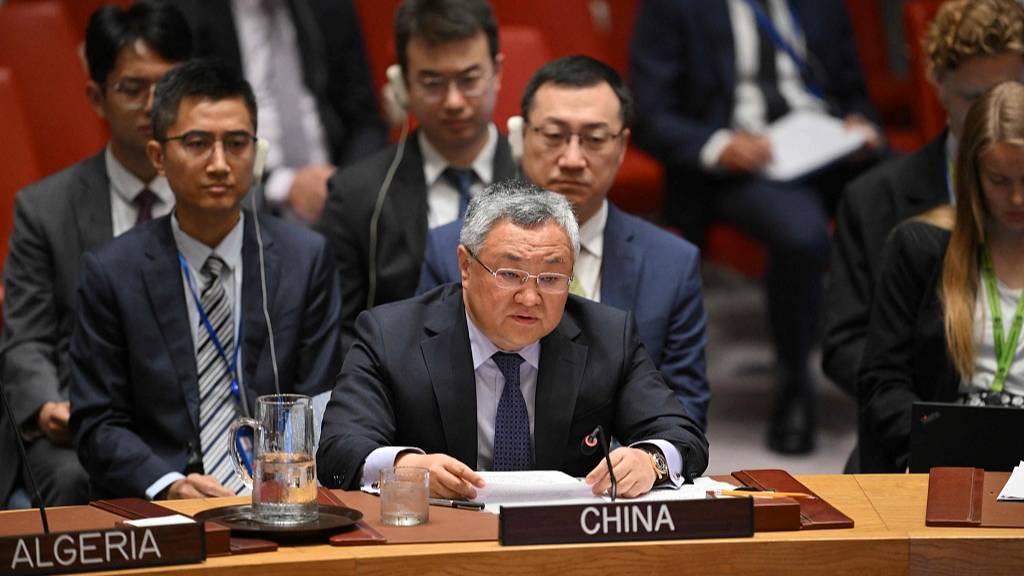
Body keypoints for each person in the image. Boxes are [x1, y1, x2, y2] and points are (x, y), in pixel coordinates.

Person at [317, 181, 709, 500]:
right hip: (441, 542)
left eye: (552, 278)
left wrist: (651, 460)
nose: (530, 297)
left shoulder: (607, 335)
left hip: (562, 544)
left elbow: (682, 434)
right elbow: (338, 448)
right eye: (509, 274)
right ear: (466, 266)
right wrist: (401, 467)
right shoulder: (390, 335)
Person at [69, 59, 343, 500]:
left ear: (257, 153)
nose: (219, 163)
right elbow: (97, 423)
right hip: (164, 499)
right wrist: (169, 484)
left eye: (236, 143)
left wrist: (274, 485)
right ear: (158, 156)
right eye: (197, 143)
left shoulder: (304, 259)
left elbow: (319, 400)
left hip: (280, 495)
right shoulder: (112, 272)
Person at [630, 0, 885, 454]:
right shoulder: (673, 7)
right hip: (736, 165)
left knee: (909, 187)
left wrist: (860, 123)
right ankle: (795, 384)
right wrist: (719, 145)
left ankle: (907, 373)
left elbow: (852, 89)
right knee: (801, 233)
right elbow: (650, 115)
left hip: (824, 147)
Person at [417, 56, 711, 430]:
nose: (573, 159)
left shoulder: (673, 264)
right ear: (522, 138)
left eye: (595, 139)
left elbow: (684, 414)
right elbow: (423, 396)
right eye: (554, 136)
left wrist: (619, 471)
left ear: (621, 146)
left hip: (615, 482)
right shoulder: (454, 250)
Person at [0, 1, 192, 509]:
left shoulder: (224, 196)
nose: (153, 105)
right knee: (71, 478)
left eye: (168, 86)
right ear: (97, 97)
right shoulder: (46, 208)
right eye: (132, 89)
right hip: (84, 416)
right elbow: (26, 339)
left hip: (196, 415)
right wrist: (46, 405)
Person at [824, 0, 1024, 400]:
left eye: (1008, 91)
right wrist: (925, 414)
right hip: (912, 428)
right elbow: (844, 345)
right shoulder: (873, 200)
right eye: (974, 97)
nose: (991, 112)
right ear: (938, 85)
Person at [315, 0, 517, 357]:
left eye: (469, 80)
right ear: (402, 85)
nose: (454, 101)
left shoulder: (539, 182)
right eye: (432, 83)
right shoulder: (358, 196)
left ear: (498, 72)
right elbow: (336, 335)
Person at [859, 81, 1024, 473]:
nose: (1017, 199)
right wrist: (928, 452)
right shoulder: (920, 247)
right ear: (972, 176)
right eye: (999, 181)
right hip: (943, 453)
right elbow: (884, 379)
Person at [171, 0, 388, 224]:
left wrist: (346, 183)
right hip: (243, 203)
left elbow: (365, 121)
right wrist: (282, 186)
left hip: (337, 197)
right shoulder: (184, 15)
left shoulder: (328, 7)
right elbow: (188, 141)